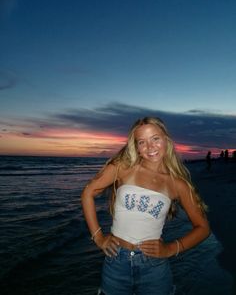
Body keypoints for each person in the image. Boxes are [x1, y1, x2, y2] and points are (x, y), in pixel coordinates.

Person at [81, 117, 210, 295]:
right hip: (116, 261)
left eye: (155, 138)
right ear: (136, 147)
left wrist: (172, 248)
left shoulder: (177, 184)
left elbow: (203, 228)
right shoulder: (123, 167)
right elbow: (89, 192)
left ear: (166, 140)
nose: (150, 147)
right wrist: (98, 237)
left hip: (154, 267)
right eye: (142, 142)